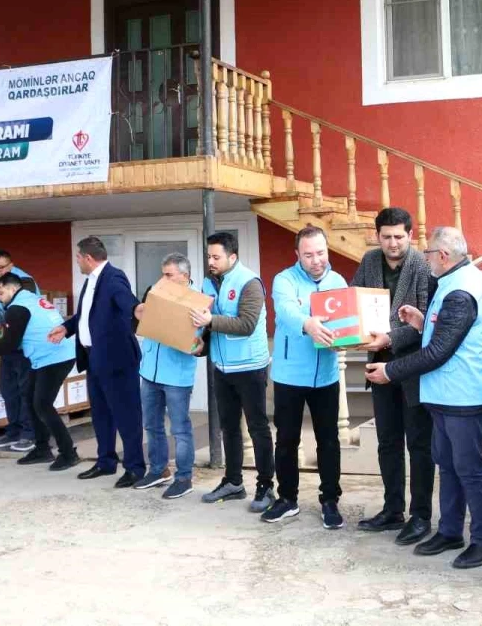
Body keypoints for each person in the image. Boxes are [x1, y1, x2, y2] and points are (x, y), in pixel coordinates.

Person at [366, 226, 482, 570]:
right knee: (449, 465)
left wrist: (391, 372)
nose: (424, 259)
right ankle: (451, 531)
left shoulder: (461, 291)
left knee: (469, 470)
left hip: (464, 397)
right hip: (446, 394)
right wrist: (422, 320)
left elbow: (440, 350)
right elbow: (448, 332)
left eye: (427, 253)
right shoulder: (455, 281)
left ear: (442, 256)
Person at [354, 207, 435, 545]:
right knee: (387, 442)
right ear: (377, 236)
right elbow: (354, 304)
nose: (392, 243)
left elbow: (426, 323)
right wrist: (348, 334)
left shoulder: (423, 266)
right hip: (378, 365)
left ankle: (420, 516)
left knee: (419, 444)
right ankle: (392, 510)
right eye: (386, 236)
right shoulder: (369, 262)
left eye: (398, 236)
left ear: (410, 235)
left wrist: (390, 337)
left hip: (413, 367)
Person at [265, 225, 348, 528]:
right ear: (297, 254)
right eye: (309, 254)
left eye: (321, 253)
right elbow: (285, 311)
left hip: (326, 375)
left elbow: (345, 321)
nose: (316, 260)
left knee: (328, 440)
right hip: (289, 375)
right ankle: (287, 498)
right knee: (286, 440)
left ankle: (330, 500)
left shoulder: (338, 281)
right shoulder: (284, 280)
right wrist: (307, 323)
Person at [49, 236, 144, 488]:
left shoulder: (113, 278)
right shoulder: (91, 281)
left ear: (88, 258)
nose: (78, 261)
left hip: (117, 359)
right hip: (94, 358)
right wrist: (66, 328)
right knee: (101, 414)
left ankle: (135, 468)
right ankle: (105, 462)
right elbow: (86, 315)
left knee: (126, 414)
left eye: (79, 257)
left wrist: (137, 310)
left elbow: (126, 301)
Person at [194, 232, 276, 512]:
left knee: (257, 428)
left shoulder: (249, 282)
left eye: (216, 257)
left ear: (232, 257)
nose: (211, 261)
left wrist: (210, 321)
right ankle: (233, 482)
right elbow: (207, 325)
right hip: (221, 366)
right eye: (208, 256)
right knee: (228, 427)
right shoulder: (207, 282)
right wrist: (201, 346)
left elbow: (247, 324)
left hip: (251, 367)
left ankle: (266, 487)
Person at [0, 273, 80, 471]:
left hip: (54, 357)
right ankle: (42, 448)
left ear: (11, 288)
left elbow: (9, 344)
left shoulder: (17, 308)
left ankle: (69, 453)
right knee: (29, 398)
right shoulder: (33, 299)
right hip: (48, 355)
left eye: (0, 293)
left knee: (42, 405)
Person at [132, 253, 202, 499]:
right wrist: (138, 311)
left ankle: (184, 478)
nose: (163, 279)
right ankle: (158, 470)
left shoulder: (198, 300)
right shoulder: (155, 292)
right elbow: (139, 318)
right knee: (151, 425)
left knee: (180, 429)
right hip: (150, 369)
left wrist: (196, 344)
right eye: (162, 273)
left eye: (168, 274)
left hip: (176, 375)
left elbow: (199, 341)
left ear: (185, 276)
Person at [0, 250, 37, 452]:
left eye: (0, 268)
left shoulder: (24, 281)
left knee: (25, 390)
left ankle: (29, 434)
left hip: (24, 344)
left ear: (11, 265)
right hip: (6, 341)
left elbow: (25, 313)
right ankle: (13, 431)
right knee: (8, 390)